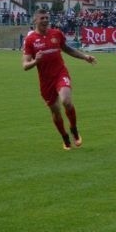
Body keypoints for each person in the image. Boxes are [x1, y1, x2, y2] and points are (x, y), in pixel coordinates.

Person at [23, 8, 96, 150]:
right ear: (35, 20)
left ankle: (74, 129)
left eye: (46, 17)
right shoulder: (30, 40)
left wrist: (85, 57)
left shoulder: (56, 34)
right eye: (42, 18)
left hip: (60, 73)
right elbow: (25, 65)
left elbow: (67, 49)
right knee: (55, 111)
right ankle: (64, 136)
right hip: (45, 81)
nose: (45, 20)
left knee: (66, 101)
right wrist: (35, 61)